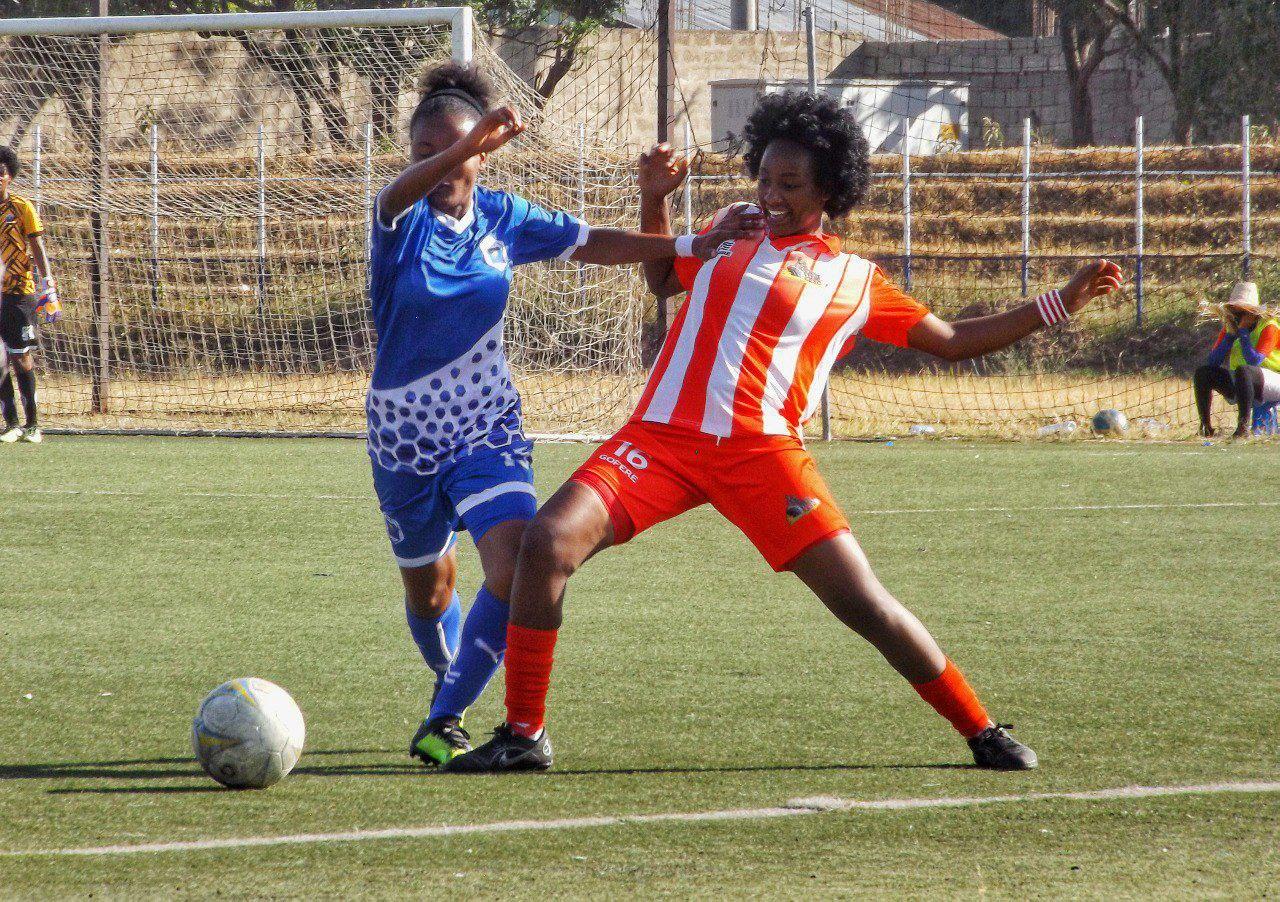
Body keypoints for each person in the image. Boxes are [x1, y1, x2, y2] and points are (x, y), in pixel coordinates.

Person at [445, 92, 1123, 773]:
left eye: (790, 185)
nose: (770, 195)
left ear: (830, 189)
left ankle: (979, 727)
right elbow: (660, 280)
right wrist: (655, 200)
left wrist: (1058, 302)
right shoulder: (728, 227)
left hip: (763, 455)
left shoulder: (854, 280)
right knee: (547, 541)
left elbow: (951, 340)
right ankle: (524, 734)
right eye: (765, 178)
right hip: (659, 439)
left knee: (862, 602)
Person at [371, 64, 749, 766]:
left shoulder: (504, 218)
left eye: (455, 150)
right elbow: (397, 193)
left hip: (485, 426)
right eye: (424, 153)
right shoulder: (397, 222)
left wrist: (690, 245)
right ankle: (447, 673)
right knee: (430, 593)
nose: (439, 165)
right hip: (402, 440)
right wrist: (454, 151)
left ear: (487, 154)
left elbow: (592, 242)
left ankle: (443, 716)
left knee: (517, 564)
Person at [0, 145, 61, 444]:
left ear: (9, 176)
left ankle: (33, 425)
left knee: (21, 356)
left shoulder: (21, 207)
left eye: (1, 173)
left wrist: (47, 280)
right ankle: (11, 424)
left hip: (18, 292)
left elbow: (36, 247)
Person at [1193, 281, 1280, 438]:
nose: (1237, 316)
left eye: (1242, 312)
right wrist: (1229, 337)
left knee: (1245, 370)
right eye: (1234, 311)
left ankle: (1242, 427)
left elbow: (1254, 360)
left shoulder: (1269, 326)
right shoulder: (1230, 328)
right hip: (1242, 383)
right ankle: (1206, 427)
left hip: (1272, 382)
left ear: (1253, 312)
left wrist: (1244, 334)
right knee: (1203, 373)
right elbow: (1213, 362)